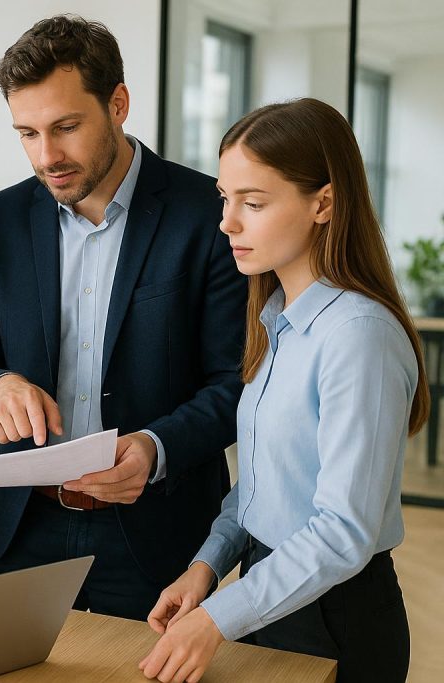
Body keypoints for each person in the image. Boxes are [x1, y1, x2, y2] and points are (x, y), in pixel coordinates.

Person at [0, 15, 247, 620]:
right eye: (27, 133)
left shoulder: (207, 215)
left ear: (119, 103)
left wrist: (156, 447)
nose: (46, 156)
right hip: (23, 529)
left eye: (66, 127)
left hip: (158, 541)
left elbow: (238, 381)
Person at [140, 98, 424, 683]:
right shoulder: (276, 320)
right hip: (269, 590)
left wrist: (218, 618)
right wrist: (207, 566)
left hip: (334, 614)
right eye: (226, 197)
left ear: (323, 202)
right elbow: (269, 481)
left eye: (254, 202)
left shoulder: (358, 335)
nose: (227, 222)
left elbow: (344, 531)